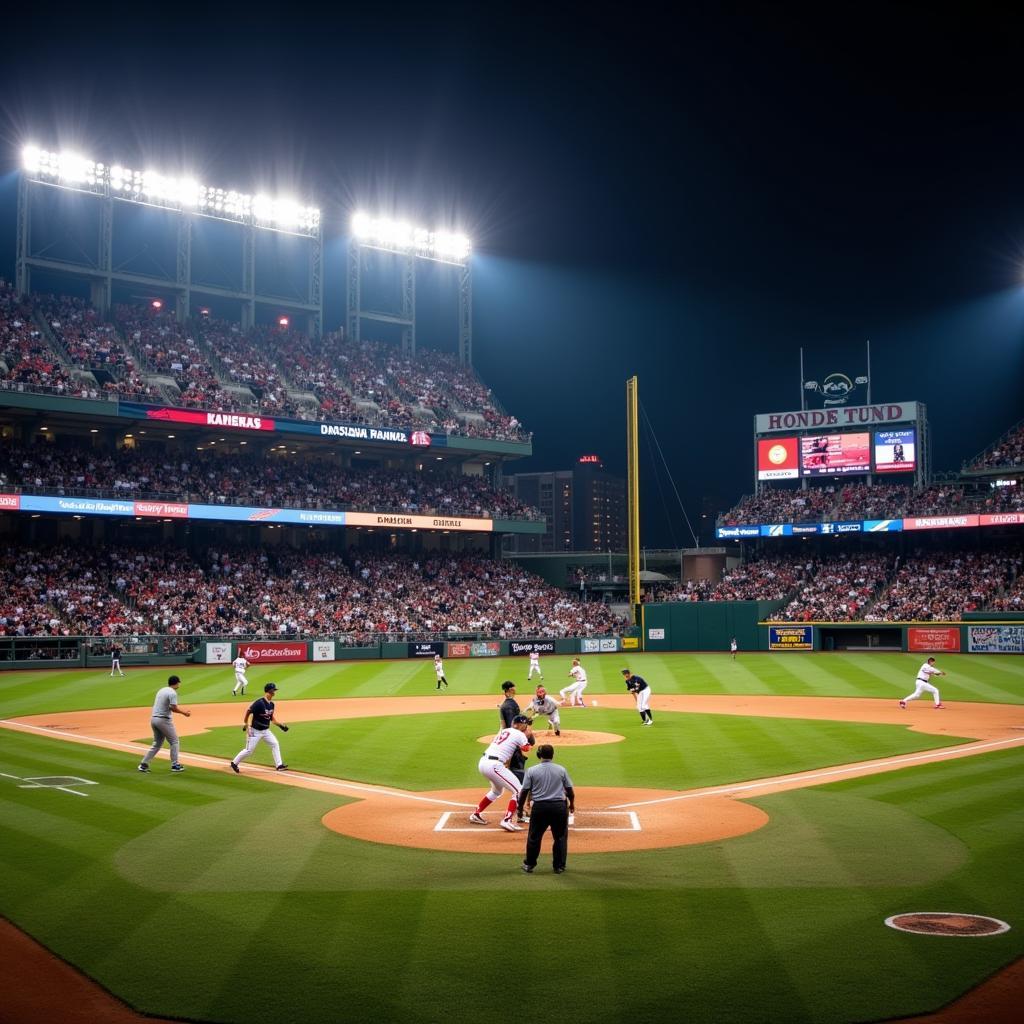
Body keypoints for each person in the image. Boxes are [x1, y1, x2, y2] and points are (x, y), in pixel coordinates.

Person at [469, 715, 533, 831]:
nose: (526, 726)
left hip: (484, 763)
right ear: (518, 724)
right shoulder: (520, 734)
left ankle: (476, 814)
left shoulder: (505, 731)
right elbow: (526, 749)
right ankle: (507, 820)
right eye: (525, 724)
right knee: (519, 790)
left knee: (496, 791)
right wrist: (528, 736)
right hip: (494, 765)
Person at [519, 744, 575, 874]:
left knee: (534, 837)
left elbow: (524, 791)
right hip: (559, 808)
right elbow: (570, 790)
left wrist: (520, 808)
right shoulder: (561, 770)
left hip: (540, 808)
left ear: (539, 755)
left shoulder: (531, 771)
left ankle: (529, 865)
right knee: (560, 837)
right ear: (553, 755)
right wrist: (571, 804)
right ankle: (559, 866)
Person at [231, 682, 290, 773]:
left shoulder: (271, 704)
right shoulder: (259, 703)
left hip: (266, 731)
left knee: (275, 743)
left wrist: (281, 726)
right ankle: (234, 763)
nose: (275, 691)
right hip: (255, 731)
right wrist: (247, 724)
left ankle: (279, 765)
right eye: (273, 690)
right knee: (249, 751)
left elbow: (272, 718)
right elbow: (249, 712)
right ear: (269, 691)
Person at [138, 674, 190, 773]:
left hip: (154, 719)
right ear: (177, 683)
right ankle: (175, 765)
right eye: (179, 682)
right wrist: (184, 713)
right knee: (174, 741)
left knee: (157, 743)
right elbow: (174, 708)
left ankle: (143, 764)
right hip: (163, 720)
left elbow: (167, 706)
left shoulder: (162, 690)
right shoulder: (172, 693)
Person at [499, 681, 531, 823]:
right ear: (508, 690)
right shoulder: (510, 706)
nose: (515, 690)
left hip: (510, 744)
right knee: (520, 783)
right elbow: (514, 726)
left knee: (518, 782)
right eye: (512, 688)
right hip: (514, 748)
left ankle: (520, 810)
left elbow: (504, 726)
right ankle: (520, 812)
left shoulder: (505, 705)